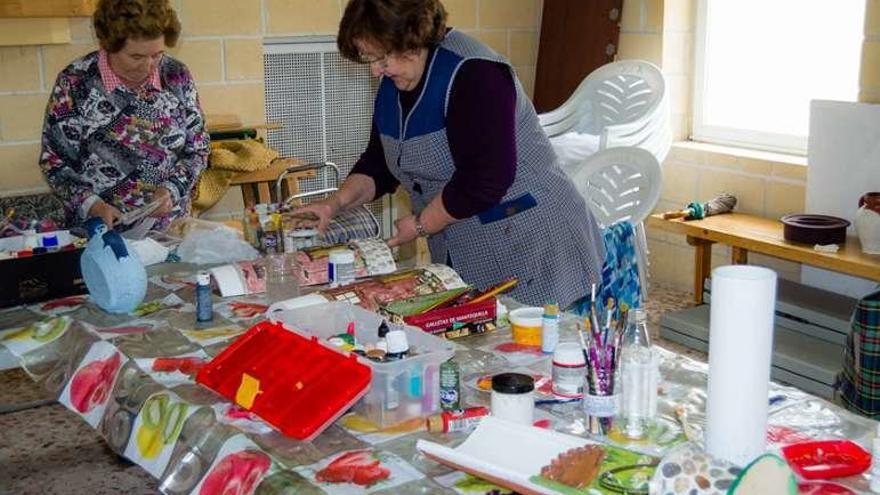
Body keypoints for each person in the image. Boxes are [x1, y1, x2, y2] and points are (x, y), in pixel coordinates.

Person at [295, 0, 605, 308]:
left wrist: (420, 225)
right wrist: (332, 204)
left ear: (413, 39)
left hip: (534, 241)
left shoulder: (476, 73)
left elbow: (486, 179)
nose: (376, 70)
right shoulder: (396, 80)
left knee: (540, 348)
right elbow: (380, 164)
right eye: (370, 58)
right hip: (470, 245)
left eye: (382, 57)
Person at [39, 0, 209, 231]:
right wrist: (91, 205)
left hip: (170, 233)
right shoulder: (75, 82)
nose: (149, 66)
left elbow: (197, 150)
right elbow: (55, 162)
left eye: (157, 54)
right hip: (100, 234)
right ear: (107, 45)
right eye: (137, 57)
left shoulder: (176, 75)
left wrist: (172, 188)